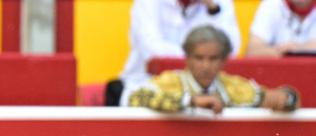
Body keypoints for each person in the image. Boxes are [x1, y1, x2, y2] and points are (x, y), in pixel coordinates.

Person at [124, 25, 301, 112]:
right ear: (187, 58)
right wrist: (190, 101)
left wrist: (286, 97)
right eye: (199, 58)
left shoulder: (233, 87)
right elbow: (134, 97)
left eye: (213, 59)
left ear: (224, 60)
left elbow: (271, 97)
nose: (206, 66)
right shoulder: (170, 81)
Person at [119, 0, 241, 89]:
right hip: (147, 85)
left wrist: (213, 9)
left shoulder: (219, 3)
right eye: (198, 57)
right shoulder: (148, 3)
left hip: (205, 89)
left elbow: (231, 50)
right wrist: (203, 55)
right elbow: (153, 51)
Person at [246, 0, 316, 57]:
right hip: (279, 71)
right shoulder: (271, 4)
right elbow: (252, 50)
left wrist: (298, 49)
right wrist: (284, 51)